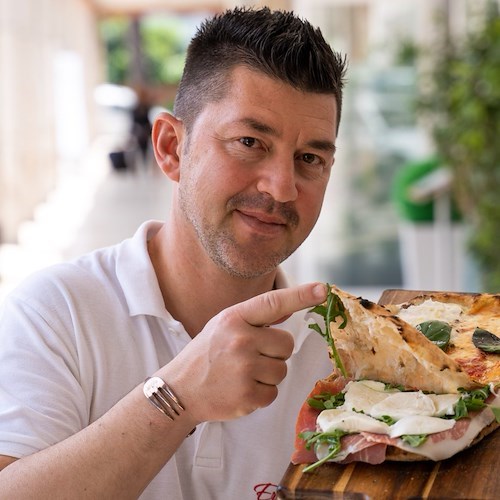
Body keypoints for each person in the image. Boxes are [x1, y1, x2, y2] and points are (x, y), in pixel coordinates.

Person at [0, 7, 346, 499]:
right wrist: (179, 398)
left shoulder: (342, 349)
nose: (283, 188)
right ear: (170, 147)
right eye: (249, 142)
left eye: (310, 158)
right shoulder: (56, 312)